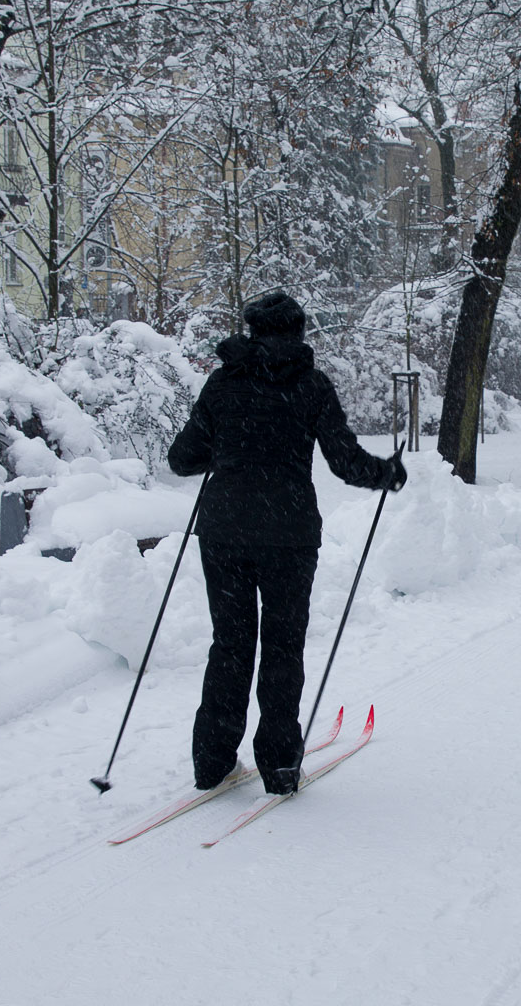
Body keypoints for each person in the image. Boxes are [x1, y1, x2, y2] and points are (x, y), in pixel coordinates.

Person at [166, 291, 405, 796]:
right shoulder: (311, 385)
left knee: (230, 645)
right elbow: (344, 462)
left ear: (252, 330)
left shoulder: (223, 381)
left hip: (225, 532)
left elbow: (183, 459)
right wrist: (387, 473)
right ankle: (278, 766)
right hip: (288, 536)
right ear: (298, 331)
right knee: (282, 647)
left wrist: (228, 446)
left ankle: (212, 762)